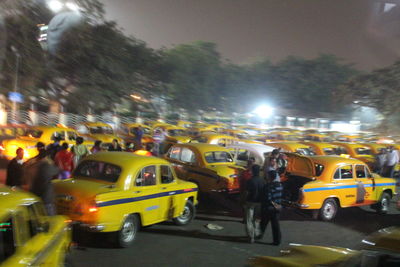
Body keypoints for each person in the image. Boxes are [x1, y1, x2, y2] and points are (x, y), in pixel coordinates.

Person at [258, 165, 284, 245]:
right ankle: (277, 240)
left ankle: (258, 235)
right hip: (277, 208)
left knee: (263, 223)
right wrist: (278, 205)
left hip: (268, 208)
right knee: (275, 225)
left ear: (270, 177)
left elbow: (268, 198)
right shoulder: (280, 185)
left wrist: (273, 204)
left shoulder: (268, 186)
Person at [29, 150, 59, 215]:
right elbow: (57, 170)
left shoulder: (32, 165)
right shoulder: (46, 166)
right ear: (46, 157)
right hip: (45, 196)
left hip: (33, 195)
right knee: (51, 218)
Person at [243, 164, 265, 243]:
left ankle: (250, 236)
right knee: (256, 219)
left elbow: (246, 192)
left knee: (249, 219)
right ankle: (256, 233)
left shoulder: (250, 180)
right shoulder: (263, 181)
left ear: (252, 171)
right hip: (259, 202)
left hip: (250, 201)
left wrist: (243, 200)